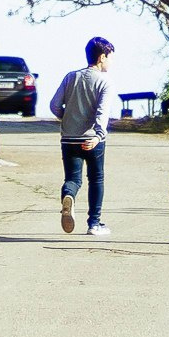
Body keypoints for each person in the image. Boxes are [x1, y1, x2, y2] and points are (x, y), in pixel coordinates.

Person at [49, 36, 115, 237]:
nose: (111, 62)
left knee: (73, 179)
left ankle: (68, 196)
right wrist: (98, 134)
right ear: (102, 57)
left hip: (69, 138)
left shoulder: (71, 77)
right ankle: (94, 224)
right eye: (110, 57)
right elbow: (102, 114)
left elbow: (54, 105)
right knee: (96, 179)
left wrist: (66, 117)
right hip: (92, 140)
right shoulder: (105, 82)